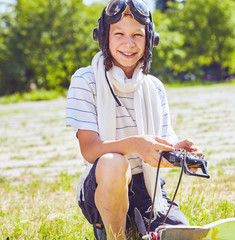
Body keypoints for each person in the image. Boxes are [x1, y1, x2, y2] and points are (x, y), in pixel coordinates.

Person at [66, 0, 203, 239]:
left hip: (147, 189)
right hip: (103, 182)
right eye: (119, 33)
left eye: (137, 35)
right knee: (113, 162)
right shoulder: (85, 80)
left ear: (150, 40)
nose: (128, 43)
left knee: (181, 235)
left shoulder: (155, 88)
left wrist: (178, 152)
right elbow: (90, 150)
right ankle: (112, 234)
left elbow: (158, 149)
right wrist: (136, 144)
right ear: (103, 37)